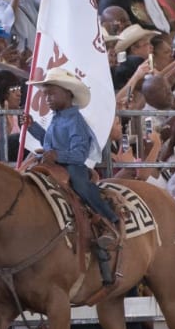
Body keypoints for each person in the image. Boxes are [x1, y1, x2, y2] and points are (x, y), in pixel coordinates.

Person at [32, 67, 120, 285]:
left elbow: (79, 155)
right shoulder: (56, 119)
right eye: (46, 95)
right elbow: (48, 142)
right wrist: (31, 127)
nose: (48, 99)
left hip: (72, 165)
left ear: (68, 94)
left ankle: (108, 216)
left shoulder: (75, 121)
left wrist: (57, 154)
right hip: (53, 164)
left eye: (51, 94)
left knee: (81, 185)